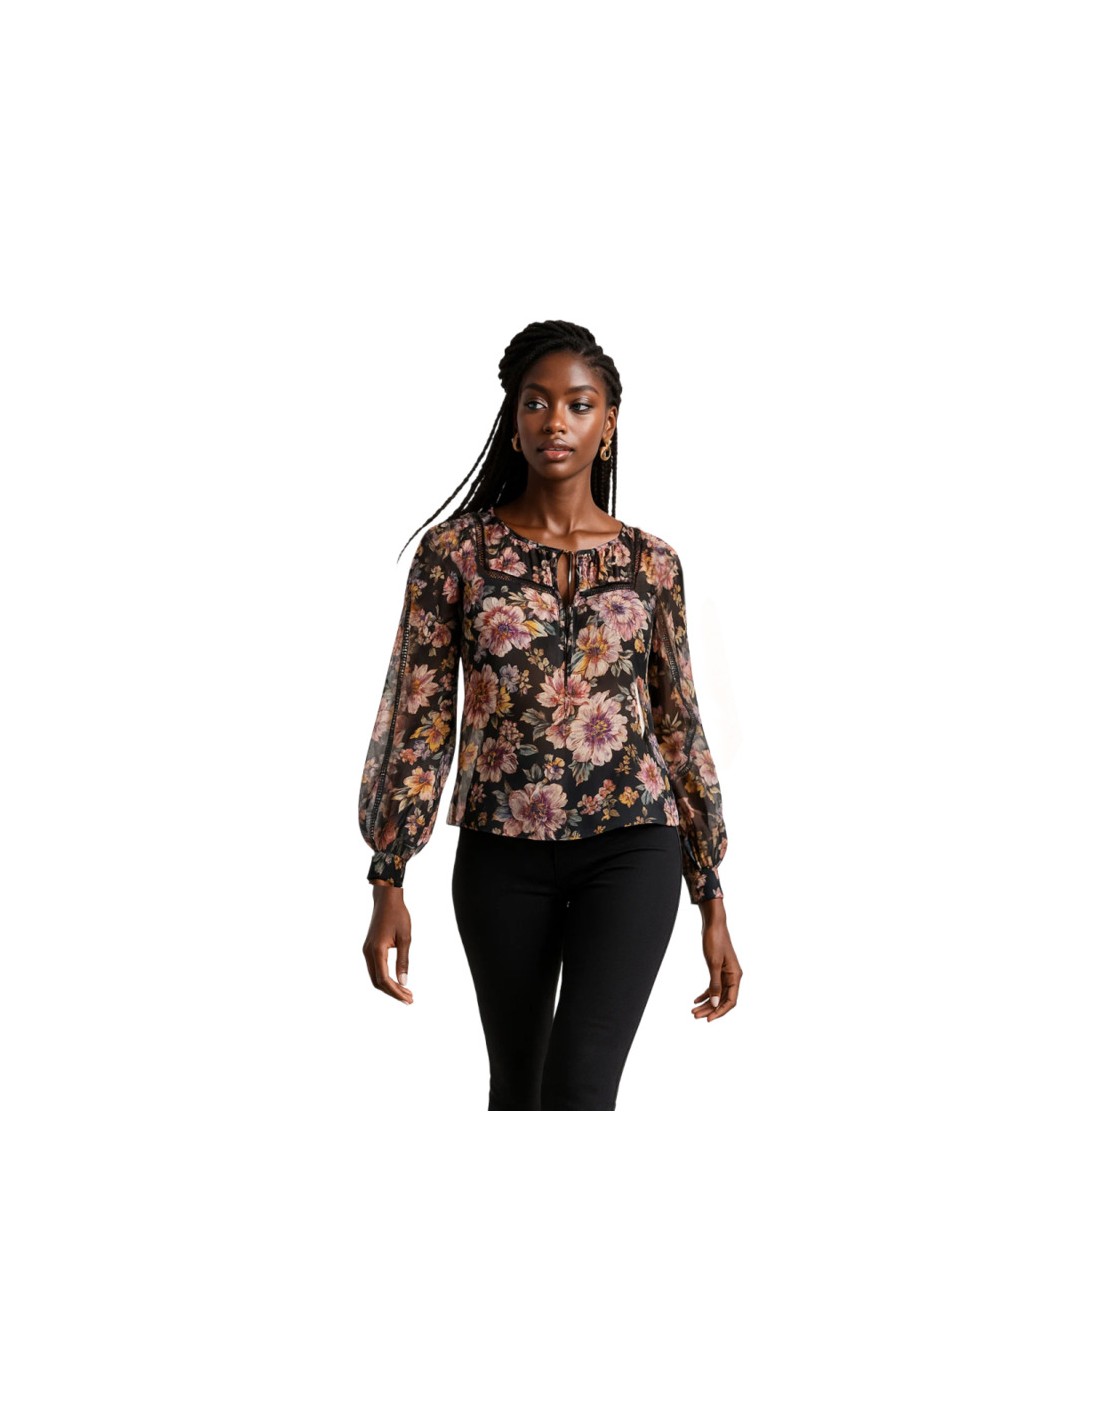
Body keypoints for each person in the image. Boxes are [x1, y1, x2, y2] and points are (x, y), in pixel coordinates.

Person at [358, 319, 743, 1110]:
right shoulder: (455, 554)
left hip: (633, 846)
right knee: (518, 1092)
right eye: (536, 403)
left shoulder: (652, 563)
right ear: (513, 419)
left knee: (579, 1089)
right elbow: (418, 713)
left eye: (578, 404)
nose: (555, 421)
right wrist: (389, 875)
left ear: (609, 423)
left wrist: (710, 893)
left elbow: (678, 724)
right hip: (501, 855)